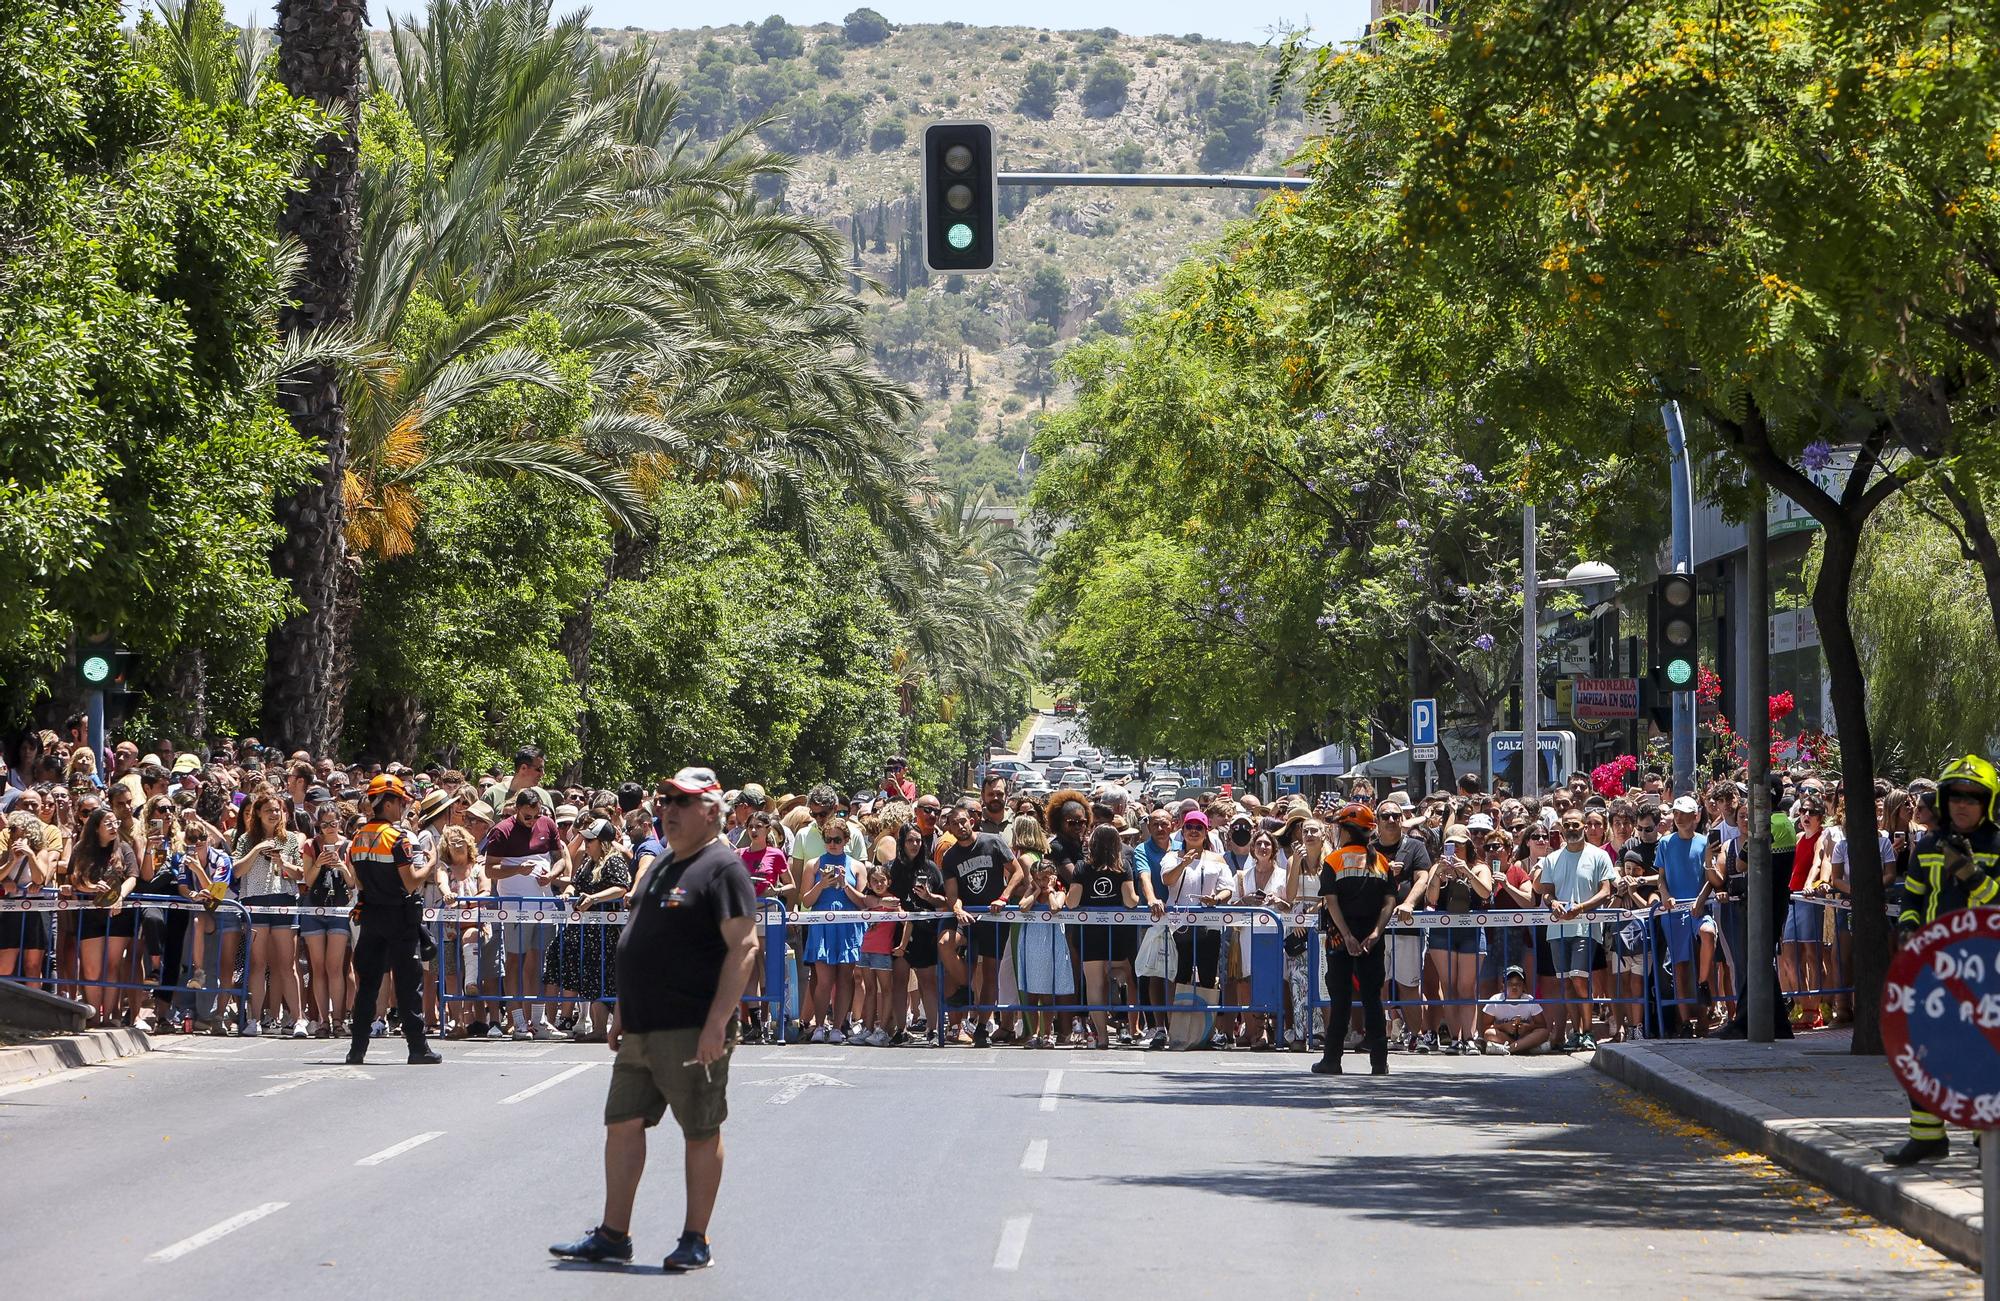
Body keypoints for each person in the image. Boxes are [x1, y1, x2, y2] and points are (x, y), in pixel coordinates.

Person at [550, 767, 758, 1274]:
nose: (668, 809)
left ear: (711, 811)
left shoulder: (721, 867)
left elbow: (745, 947)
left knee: (699, 1129)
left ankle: (696, 1238)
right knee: (621, 1124)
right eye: (665, 799)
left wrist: (717, 1024)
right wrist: (622, 1007)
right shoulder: (663, 863)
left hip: (691, 1024)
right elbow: (640, 937)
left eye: (681, 802)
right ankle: (613, 1235)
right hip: (641, 1024)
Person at [1884, 755, 2000, 1166]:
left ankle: (1986, 1140)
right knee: (1925, 1050)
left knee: (1984, 1053)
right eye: (1956, 796)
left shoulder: (1997, 847)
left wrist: (1970, 875)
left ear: (1988, 802)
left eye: (1974, 797)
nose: (1963, 805)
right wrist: (1909, 930)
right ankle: (1928, 1137)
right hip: (1934, 970)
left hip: (1987, 972)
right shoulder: (1929, 845)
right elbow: (1913, 898)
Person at [344, 774, 441, 1066]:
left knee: (368, 986)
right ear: (387, 803)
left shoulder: (357, 838)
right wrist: (432, 862)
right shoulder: (397, 838)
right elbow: (411, 882)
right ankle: (417, 1048)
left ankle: (356, 1049)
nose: (402, 807)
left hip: (371, 915)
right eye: (400, 802)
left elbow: (359, 882)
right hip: (399, 917)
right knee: (408, 984)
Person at [1312, 803, 1393, 1076]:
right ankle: (1379, 1062)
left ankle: (1332, 1060)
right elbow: (1389, 903)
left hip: (1339, 938)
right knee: (1373, 998)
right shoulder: (1381, 861)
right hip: (1372, 939)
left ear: (1346, 830)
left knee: (1341, 999)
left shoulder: (1334, 860)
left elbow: (1331, 902)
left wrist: (1346, 936)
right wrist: (1375, 934)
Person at [1533, 809, 1618, 1051]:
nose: (1572, 829)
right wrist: (1553, 902)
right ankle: (1577, 1031)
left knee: (1580, 979)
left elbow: (1606, 891)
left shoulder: (1598, 856)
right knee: (1566, 982)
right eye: (1567, 825)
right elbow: (1546, 891)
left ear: (1583, 827)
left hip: (1585, 929)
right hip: (1557, 930)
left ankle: (1587, 1031)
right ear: (1562, 828)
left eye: (1576, 825)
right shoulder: (1552, 858)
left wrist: (1580, 907)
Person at [1476, 965, 1551, 1056]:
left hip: (1525, 1036)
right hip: (1504, 1036)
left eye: (1518, 984)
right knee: (1489, 1034)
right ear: (1503, 986)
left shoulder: (1529, 1000)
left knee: (1544, 1033)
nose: (1514, 987)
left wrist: (1528, 1027)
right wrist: (1504, 1027)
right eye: (1510, 984)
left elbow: (1542, 1025)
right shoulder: (1495, 1000)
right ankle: (1525, 1048)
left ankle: (1510, 1049)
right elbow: (1485, 1027)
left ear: (1523, 986)